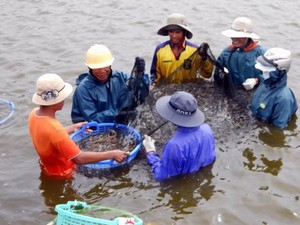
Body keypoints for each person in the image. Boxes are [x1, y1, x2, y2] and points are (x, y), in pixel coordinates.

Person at [28, 73, 129, 179]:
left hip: (47, 168)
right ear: (56, 101)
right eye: (63, 97)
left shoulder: (34, 114)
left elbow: (48, 136)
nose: (64, 100)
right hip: (64, 173)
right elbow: (79, 158)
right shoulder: (56, 130)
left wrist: (72, 128)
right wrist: (112, 154)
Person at [142, 91, 216, 181]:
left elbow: (161, 175)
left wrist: (151, 153)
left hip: (181, 180)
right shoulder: (207, 129)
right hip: (198, 176)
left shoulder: (174, 145)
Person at [71, 44, 150, 124]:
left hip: (120, 120)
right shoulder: (83, 89)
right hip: (96, 128)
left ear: (110, 65)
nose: (102, 71)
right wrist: (116, 115)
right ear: (90, 68)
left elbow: (141, 95)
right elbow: (91, 118)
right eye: (97, 68)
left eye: (105, 66)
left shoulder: (120, 77)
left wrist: (140, 76)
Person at [150, 13, 214, 85]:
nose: (174, 36)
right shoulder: (160, 49)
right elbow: (155, 75)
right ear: (167, 32)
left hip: (189, 91)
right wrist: (152, 85)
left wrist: (204, 58)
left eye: (178, 32)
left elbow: (207, 74)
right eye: (171, 31)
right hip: (167, 92)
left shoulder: (195, 50)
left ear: (184, 32)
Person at [214, 17, 266, 91]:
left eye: (239, 36)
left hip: (255, 94)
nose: (234, 39)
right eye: (233, 35)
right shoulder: (227, 52)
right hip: (232, 92)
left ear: (248, 37)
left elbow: (275, 78)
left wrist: (257, 81)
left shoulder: (262, 54)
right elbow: (217, 75)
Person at [250, 47, 298, 128]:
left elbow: (278, 129)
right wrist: (255, 80)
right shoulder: (265, 82)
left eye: (267, 69)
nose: (264, 72)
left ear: (280, 70)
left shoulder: (283, 99)